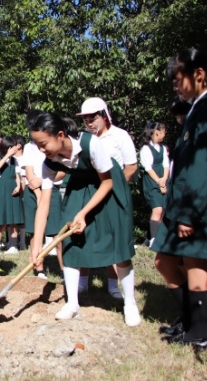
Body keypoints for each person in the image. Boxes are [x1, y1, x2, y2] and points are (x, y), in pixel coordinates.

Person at [152, 48, 207, 351]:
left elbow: (205, 164)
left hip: (198, 203)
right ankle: (192, 321)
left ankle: (198, 334)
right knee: (164, 261)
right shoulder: (198, 107)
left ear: (199, 75)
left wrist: (189, 213)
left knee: (194, 262)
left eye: (178, 80)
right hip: (185, 201)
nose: (175, 86)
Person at [28, 112, 141, 326]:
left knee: (119, 247)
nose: (41, 150)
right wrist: (37, 245)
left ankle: (130, 303)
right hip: (80, 189)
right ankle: (72, 303)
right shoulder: (49, 164)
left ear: (60, 135)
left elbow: (107, 183)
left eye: (43, 144)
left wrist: (84, 213)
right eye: (36, 145)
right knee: (70, 243)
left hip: (109, 187)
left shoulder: (91, 144)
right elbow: (43, 204)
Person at [78, 97, 138, 301]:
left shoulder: (120, 136)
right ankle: (82, 282)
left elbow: (131, 166)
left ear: (104, 115)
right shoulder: (85, 140)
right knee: (84, 236)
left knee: (116, 240)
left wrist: (116, 185)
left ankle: (114, 286)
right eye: (85, 119)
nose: (89, 122)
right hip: (91, 194)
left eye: (92, 118)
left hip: (114, 194)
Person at [20, 110, 63, 279]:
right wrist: (38, 193)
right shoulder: (29, 147)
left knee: (57, 232)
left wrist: (44, 181)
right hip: (33, 192)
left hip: (52, 190)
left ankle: (64, 269)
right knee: (35, 231)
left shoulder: (54, 144)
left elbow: (62, 172)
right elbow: (29, 173)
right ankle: (39, 268)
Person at [139, 122, 170, 247]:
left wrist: (164, 180)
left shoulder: (162, 148)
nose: (164, 134)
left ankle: (159, 237)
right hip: (152, 182)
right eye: (163, 132)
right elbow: (148, 168)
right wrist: (159, 181)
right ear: (157, 132)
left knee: (163, 210)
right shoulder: (146, 149)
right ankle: (153, 239)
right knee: (157, 209)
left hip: (163, 180)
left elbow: (166, 165)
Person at [0, 136, 24, 255]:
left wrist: (18, 186)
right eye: (14, 146)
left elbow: (17, 175)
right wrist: (7, 155)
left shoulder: (15, 160)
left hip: (12, 188)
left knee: (14, 218)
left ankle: (13, 245)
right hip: (0, 188)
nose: (17, 148)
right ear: (8, 147)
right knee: (1, 218)